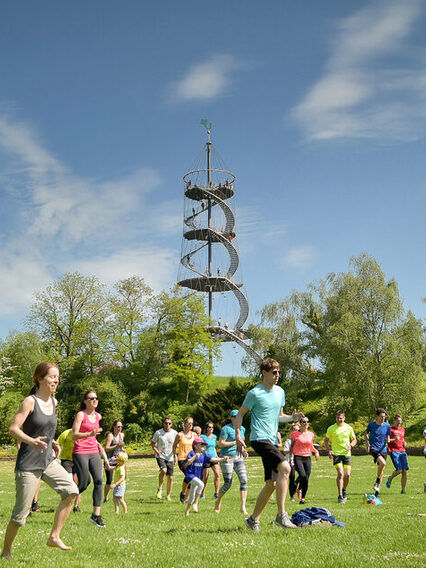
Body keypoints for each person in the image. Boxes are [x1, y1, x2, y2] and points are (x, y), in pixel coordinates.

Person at [1, 362, 78, 560]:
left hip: (48, 461)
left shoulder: (54, 402)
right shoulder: (30, 402)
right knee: (20, 517)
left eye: (57, 377)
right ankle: (6, 552)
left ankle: (54, 536)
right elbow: (14, 428)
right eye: (52, 377)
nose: (56, 380)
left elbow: (45, 430)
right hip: (28, 464)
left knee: (71, 491)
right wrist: (31, 441)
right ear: (39, 378)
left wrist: (52, 443)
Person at [234, 357, 303, 531]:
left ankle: (252, 519)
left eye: (279, 372)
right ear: (264, 373)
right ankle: (281, 515)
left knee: (271, 484)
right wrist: (238, 435)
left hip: (272, 440)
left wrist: (292, 418)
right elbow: (240, 415)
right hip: (259, 439)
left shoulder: (280, 392)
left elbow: (279, 416)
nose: (277, 375)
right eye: (274, 372)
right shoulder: (254, 393)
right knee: (286, 469)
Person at [72, 390, 110, 528]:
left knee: (99, 481)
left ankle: (96, 516)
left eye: (96, 398)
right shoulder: (80, 415)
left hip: (93, 451)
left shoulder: (98, 416)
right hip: (80, 451)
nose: (94, 400)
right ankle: (69, 498)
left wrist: (96, 442)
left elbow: (94, 436)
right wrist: (90, 433)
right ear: (85, 401)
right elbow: (74, 435)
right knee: (84, 482)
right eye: (91, 398)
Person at [214, 410, 248, 514]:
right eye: (234, 416)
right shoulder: (226, 429)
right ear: (231, 418)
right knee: (228, 483)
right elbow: (220, 444)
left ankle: (243, 506)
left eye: (238, 416)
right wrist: (234, 442)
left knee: (244, 480)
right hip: (226, 457)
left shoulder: (242, 429)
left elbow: (241, 443)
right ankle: (218, 501)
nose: (236, 418)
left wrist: (243, 451)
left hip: (238, 457)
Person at [183, 438, 228, 516]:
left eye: (204, 445)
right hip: (190, 475)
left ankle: (187, 511)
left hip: (197, 476)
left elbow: (212, 459)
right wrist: (194, 457)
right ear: (196, 446)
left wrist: (222, 459)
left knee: (192, 493)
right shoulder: (192, 453)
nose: (204, 446)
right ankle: (195, 503)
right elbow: (187, 463)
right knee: (201, 485)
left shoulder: (204, 454)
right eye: (202, 445)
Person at [324, 411, 357, 503]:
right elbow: (326, 441)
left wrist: (351, 445)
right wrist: (329, 450)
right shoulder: (331, 428)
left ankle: (344, 489)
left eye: (341, 418)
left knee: (347, 475)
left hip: (346, 454)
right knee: (340, 473)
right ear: (336, 418)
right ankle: (340, 496)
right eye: (338, 418)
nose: (340, 419)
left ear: (344, 418)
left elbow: (354, 440)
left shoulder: (348, 428)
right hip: (336, 454)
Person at [290, 417, 319, 504]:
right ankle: (296, 485)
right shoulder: (295, 434)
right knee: (302, 476)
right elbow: (292, 446)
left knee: (306, 478)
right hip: (298, 457)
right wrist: (291, 457)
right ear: (300, 423)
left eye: (307, 421)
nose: (305, 423)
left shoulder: (311, 434)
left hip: (307, 457)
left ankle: (303, 498)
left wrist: (316, 452)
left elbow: (310, 446)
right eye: (303, 422)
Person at [364, 408, 391, 496]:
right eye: (381, 416)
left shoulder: (387, 426)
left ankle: (377, 492)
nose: (382, 418)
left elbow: (388, 439)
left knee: (382, 471)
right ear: (377, 416)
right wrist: (367, 444)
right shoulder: (371, 425)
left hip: (383, 450)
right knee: (383, 463)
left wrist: (396, 440)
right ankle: (377, 481)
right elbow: (366, 434)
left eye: (384, 417)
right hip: (374, 448)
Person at [151, 417, 178, 500]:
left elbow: (177, 445)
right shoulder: (158, 432)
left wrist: (175, 455)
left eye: (169, 423)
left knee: (170, 477)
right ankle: (160, 488)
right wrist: (156, 450)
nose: (167, 425)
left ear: (171, 424)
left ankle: (168, 496)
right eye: (166, 423)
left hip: (170, 457)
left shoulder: (175, 433)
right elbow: (152, 444)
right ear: (163, 424)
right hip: (160, 456)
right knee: (164, 470)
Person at [172, 417, 197, 503]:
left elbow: (198, 445)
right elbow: (174, 446)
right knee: (189, 476)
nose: (191, 425)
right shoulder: (180, 435)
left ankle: (186, 497)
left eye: (192, 423)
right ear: (185, 424)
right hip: (182, 459)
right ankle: (183, 493)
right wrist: (175, 456)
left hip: (192, 459)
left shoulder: (194, 435)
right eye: (189, 423)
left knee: (192, 478)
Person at [56, 428, 81, 512]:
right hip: (66, 460)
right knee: (69, 482)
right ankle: (66, 504)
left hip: (78, 460)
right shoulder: (66, 433)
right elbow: (57, 444)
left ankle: (76, 506)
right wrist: (56, 453)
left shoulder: (83, 434)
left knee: (78, 483)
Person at [386, 414, 409, 494]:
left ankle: (403, 490)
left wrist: (404, 442)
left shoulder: (403, 430)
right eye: (398, 421)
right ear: (394, 421)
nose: (399, 423)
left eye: (400, 422)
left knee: (405, 471)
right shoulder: (390, 429)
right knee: (399, 470)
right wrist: (394, 439)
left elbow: (402, 439)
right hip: (394, 451)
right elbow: (387, 440)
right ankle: (390, 478)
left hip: (402, 451)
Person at [104, 420, 125, 502]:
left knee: (121, 477)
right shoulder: (110, 436)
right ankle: (106, 497)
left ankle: (119, 496)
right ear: (114, 427)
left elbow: (121, 447)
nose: (120, 428)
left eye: (121, 427)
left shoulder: (122, 435)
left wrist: (123, 450)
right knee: (109, 480)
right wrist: (116, 446)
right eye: (118, 427)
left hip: (119, 460)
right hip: (109, 460)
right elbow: (106, 449)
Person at [200, 421, 220, 499]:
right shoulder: (202, 437)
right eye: (209, 427)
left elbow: (213, 447)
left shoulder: (214, 437)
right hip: (206, 458)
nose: (211, 429)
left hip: (214, 457)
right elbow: (202, 448)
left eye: (212, 427)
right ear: (206, 428)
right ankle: (202, 494)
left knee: (217, 474)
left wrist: (217, 456)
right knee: (205, 477)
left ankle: (216, 493)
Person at [282, 423, 299, 502]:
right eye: (294, 430)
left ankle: (296, 485)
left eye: (297, 430)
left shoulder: (300, 439)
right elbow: (284, 452)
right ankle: (291, 496)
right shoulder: (288, 441)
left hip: (299, 460)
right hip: (290, 461)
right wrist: (290, 450)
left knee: (304, 475)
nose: (296, 431)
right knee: (291, 478)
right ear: (291, 431)